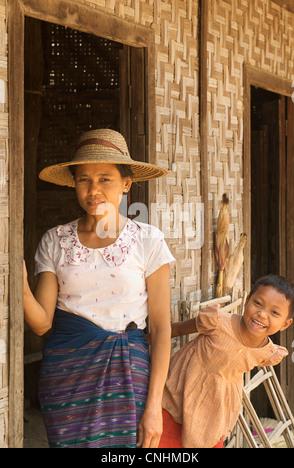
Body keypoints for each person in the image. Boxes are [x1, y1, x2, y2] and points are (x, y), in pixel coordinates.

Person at [23, 128, 175, 448]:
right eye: (83, 179)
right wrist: (19, 285)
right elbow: (41, 322)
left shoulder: (148, 241)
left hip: (128, 374)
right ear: (74, 184)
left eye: (105, 178)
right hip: (65, 376)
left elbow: (161, 330)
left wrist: (153, 408)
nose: (93, 190)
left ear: (126, 184)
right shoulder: (55, 240)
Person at [158, 274, 294, 448]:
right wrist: (141, 340)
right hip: (177, 394)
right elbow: (178, 329)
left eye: (275, 312)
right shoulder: (216, 322)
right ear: (247, 300)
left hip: (214, 411)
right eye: (258, 303)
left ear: (285, 324)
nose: (262, 314)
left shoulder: (268, 353)